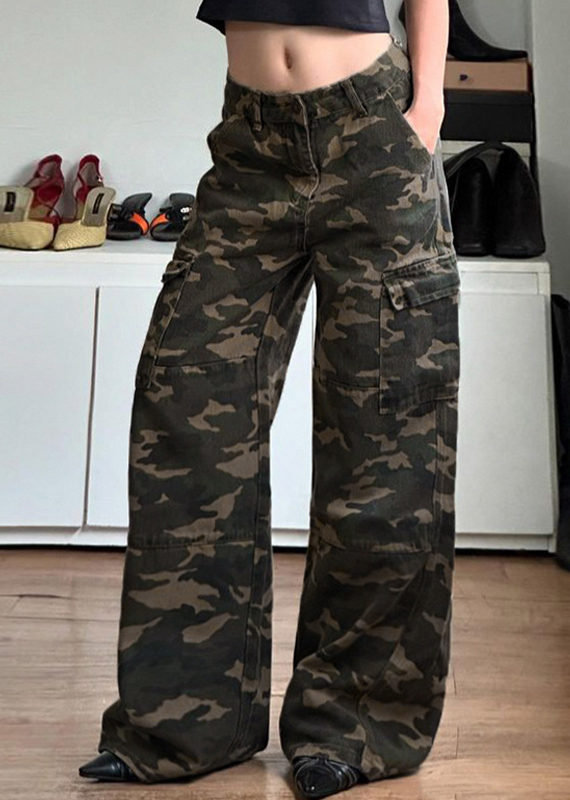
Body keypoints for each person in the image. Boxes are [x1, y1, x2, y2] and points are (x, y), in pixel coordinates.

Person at [79, 2, 460, 798]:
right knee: (184, 413)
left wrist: (426, 110)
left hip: (373, 133)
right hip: (251, 142)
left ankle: (354, 726)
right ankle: (187, 724)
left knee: (385, 440)